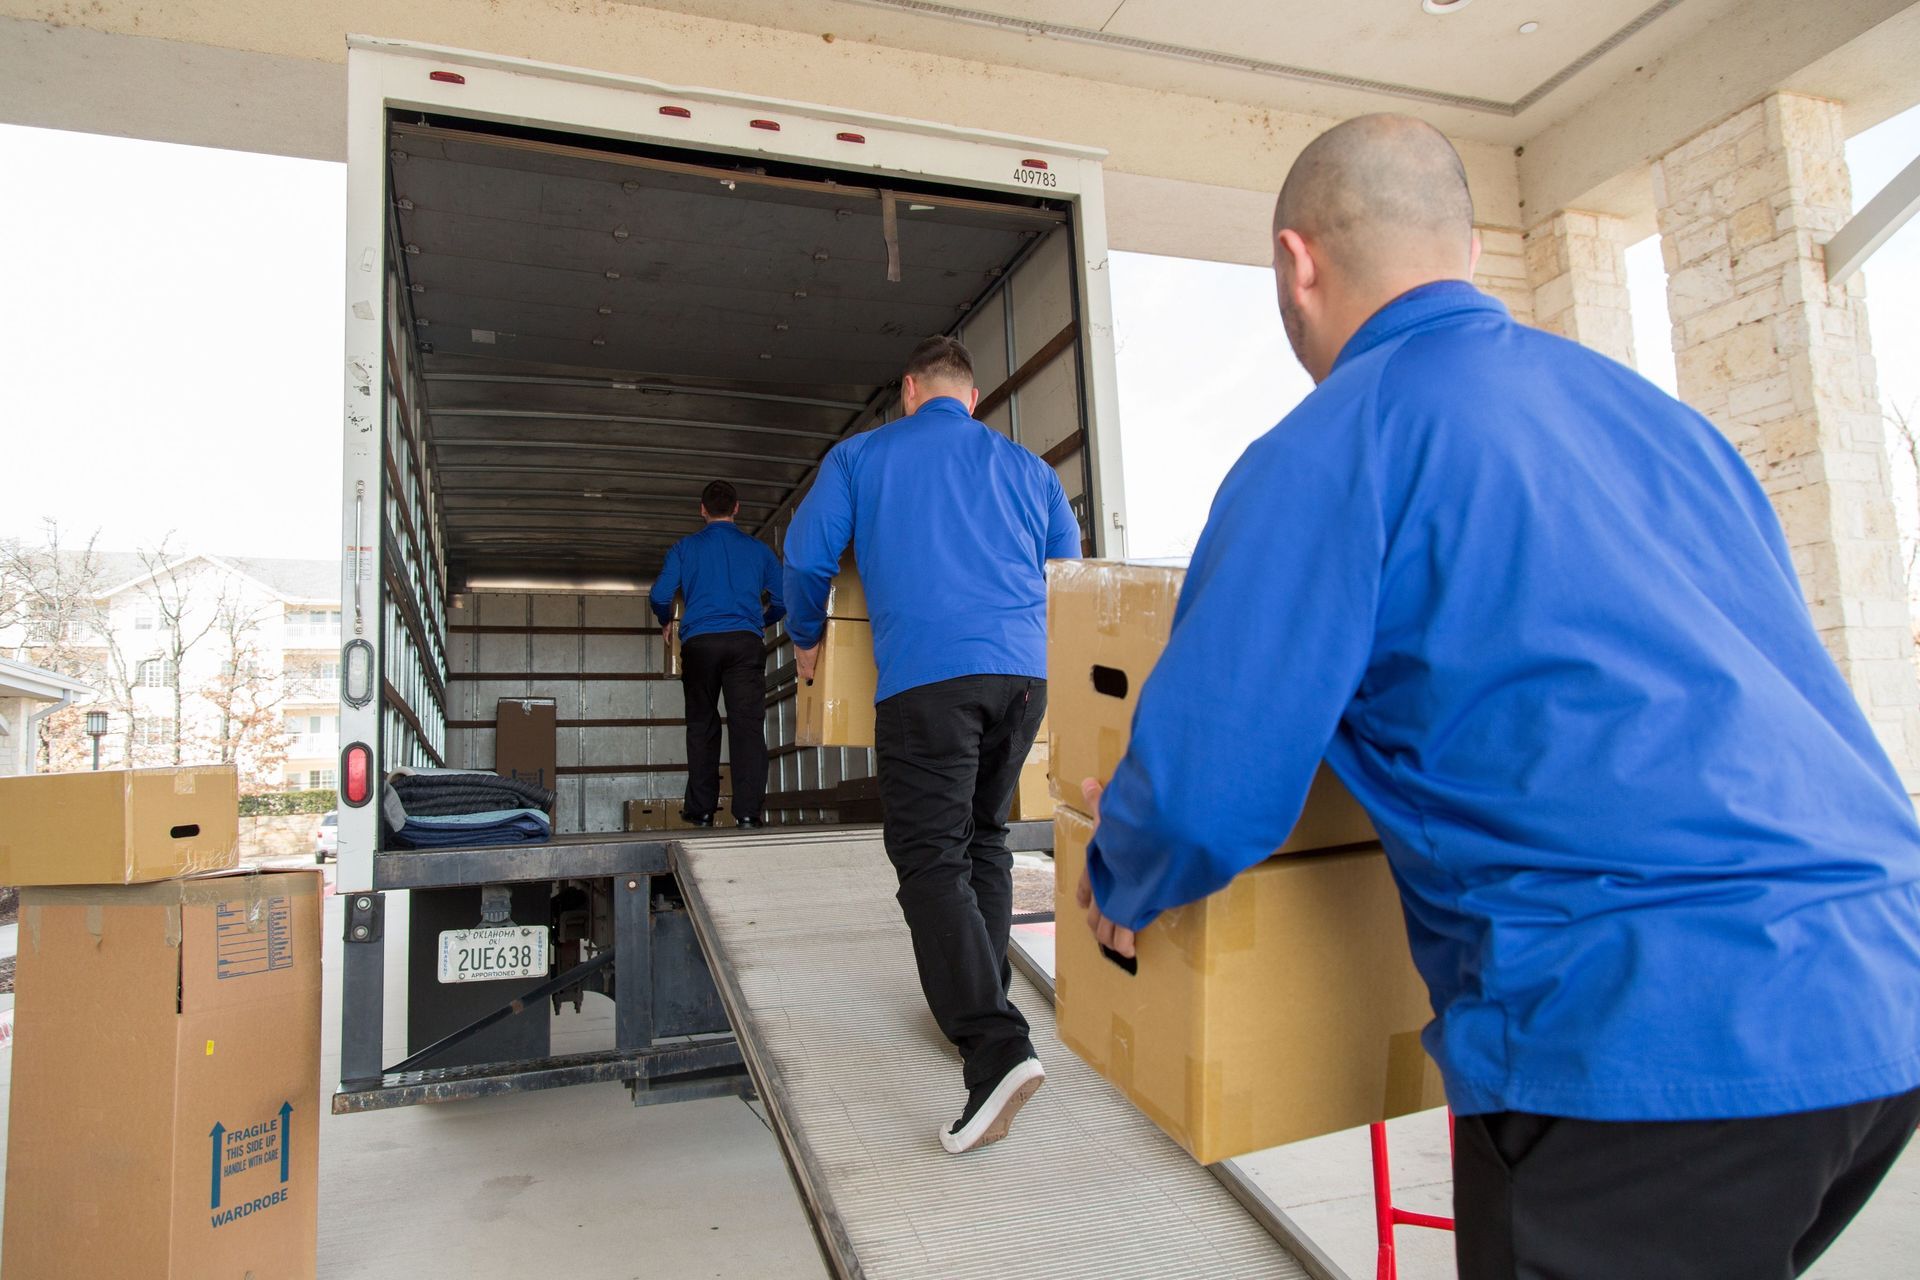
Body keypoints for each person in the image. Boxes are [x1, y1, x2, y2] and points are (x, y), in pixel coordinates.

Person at [1077, 114, 1920, 1278]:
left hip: (1638, 1029)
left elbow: (1206, 793)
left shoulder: (1338, 442)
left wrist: (1121, 870)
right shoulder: (1668, 426)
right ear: (1468, 253)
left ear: (1296, 263)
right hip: (1882, 982)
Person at [784, 335, 1082, 1154]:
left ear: (910, 389)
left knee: (927, 856)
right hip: (1025, 681)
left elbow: (807, 556)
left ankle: (996, 1051)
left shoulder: (860, 456)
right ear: (974, 398)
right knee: (983, 839)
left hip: (930, 680)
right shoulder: (1031, 471)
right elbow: (1070, 570)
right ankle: (978, 1000)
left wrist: (806, 637)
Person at [651, 479, 785, 829]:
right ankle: (747, 813)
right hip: (744, 644)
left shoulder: (684, 548)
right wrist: (760, 620)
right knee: (747, 727)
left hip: (700, 645)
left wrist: (667, 622)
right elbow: (784, 599)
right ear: (737, 508)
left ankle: (702, 810)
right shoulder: (759, 551)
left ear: (703, 510)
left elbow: (660, 595)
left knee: (701, 725)